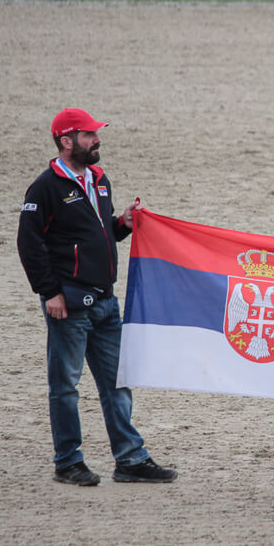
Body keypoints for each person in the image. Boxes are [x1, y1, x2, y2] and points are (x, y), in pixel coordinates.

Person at [17, 108, 177, 486]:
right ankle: (68, 462)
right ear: (66, 141)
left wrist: (122, 224)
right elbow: (29, 243)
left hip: (106, 302)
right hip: (68, 305)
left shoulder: (99, 180)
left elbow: (99, 234)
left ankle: (130, 459)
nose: (97, 140)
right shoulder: (45, 187)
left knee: (117, 383)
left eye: (96, 133)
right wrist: (50, 293)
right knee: (65, 388)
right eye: (88, 135)